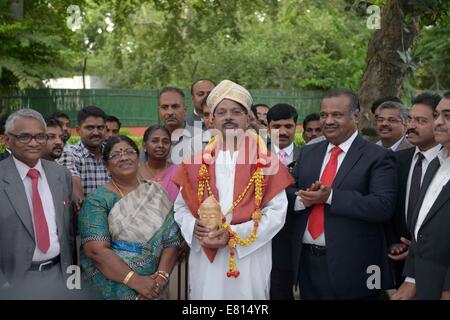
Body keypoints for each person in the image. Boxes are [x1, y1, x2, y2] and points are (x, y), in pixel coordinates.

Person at [172, 80, 294, 299]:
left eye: (236, 111)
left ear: (248, 118)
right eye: (222, 112)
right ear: (212, 119)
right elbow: (180, 209)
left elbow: (277, 214)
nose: (228, 117)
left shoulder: (267, 162)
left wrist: (233, 234)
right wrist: (194, 227)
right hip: (206, 256)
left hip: (249, 257)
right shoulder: (194, 163)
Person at [288, 89, 397, 299]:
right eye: (323, 115)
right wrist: (303, 198)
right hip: (307, 264)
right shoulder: (309, 152)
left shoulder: (378, 157)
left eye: (336, 115)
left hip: (355, 267)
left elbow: (382, 206)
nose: (328, 121)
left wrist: (330, 197)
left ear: (355, 116)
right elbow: (288, 191)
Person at [79, 135, 182, 300]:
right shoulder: (98, 200)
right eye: (115, 155)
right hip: (111, 287)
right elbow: (96, 251)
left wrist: (160, 279)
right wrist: (136, 281)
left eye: (129, 152)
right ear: (106, 165)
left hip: (154, 287)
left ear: (138, 156)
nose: (124, 157)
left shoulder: (157, 192)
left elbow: (172, 241)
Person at [0, 109, 73, 298]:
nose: (34, 143)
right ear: (7, 140)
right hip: (14, 283)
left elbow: (68, 234)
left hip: (59, 277)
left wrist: (74, 282)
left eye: (41, 136)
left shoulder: (61, 175)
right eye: (24, 137)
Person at [393, 92, 450, 300]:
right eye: (437, 115)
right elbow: (424, 229)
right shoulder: (437, 165)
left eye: (448, 116)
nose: (439, 123)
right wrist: (411, 280)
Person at [266, 103, 300, 300]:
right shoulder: (255, 155)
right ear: (268, 127)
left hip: (293, 233)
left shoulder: (309, 156)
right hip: (260, 233)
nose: (283, 131)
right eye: (277, 126)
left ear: (296, 126)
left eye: (288, 126)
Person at [58, 106, 110, 212]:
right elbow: (73, 181)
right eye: (90, 128)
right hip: (84, 221)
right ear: (78, 130)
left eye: (100, 128)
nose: (96, 132)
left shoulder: (112, 154)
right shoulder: (69, 154)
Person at [138, 125, 180, 202]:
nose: (161, 145)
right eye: (155, 141)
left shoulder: (178, 172)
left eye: (165, 142)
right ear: (144, 146)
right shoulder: (135, 174)